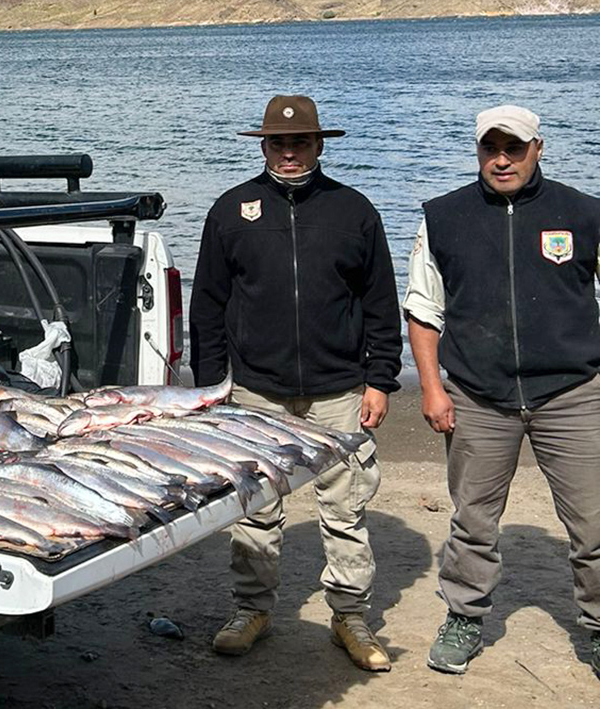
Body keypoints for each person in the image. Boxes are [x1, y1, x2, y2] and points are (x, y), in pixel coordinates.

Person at [190, 95, 402, 671]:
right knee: (255, 508)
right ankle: (251, 610)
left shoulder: (353, 210)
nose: (289, 153)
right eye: (279, 143)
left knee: (346, 509)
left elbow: (382, 304)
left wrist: (380, 379)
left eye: (300, 142)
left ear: (319, 145)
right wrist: (211, 390)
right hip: (256, 392)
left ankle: (350, 617)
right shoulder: (231, 210)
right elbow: (208, 306)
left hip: (340, 391)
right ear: (263, 146)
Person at [403, 104, 600, 677]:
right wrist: (433, 390)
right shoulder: (443, 216)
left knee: (593, 524)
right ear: (478, 152)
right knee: (473, 521)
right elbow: (422, 311)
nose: (502, 159)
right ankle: (464, 617)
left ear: (539, 148)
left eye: (513, 147)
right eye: (491, 148)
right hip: (478, 395)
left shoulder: (584, 213)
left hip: (573, 393)